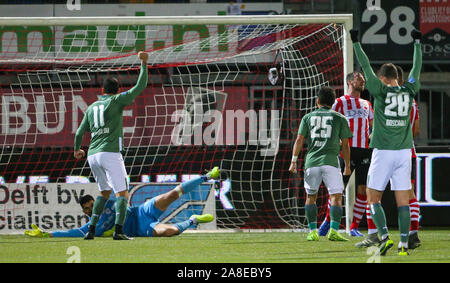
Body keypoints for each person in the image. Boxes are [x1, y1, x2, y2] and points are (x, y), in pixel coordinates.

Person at [350, 28, 422, 256]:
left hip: (382, 151)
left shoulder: (379, 90)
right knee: (403, 201)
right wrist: (417, 44)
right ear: (397, 78)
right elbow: (416, 69)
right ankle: (403, 245)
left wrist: (356, 42)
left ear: (382, 78)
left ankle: (383, 235)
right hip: (403, 153)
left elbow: (365, 65)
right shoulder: (409, 90)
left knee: (373, 197)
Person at [73, 51, 149, 240]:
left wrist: (77, 150)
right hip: (110, 153)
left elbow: (79, 132)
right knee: (122, 193)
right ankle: (119, 231)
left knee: (104, 192)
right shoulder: (116, 100)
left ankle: (90, 230)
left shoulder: (91, 107)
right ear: (117, 90)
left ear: (102, 90)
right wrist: (144, 63)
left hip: (92, 155)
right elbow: (141, 86)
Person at [24, 168, 220, 238]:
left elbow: (122, 197)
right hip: (140, 227)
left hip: (141, 212)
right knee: (168, 232)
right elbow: (72, 233)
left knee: (171, 194)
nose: (93, 209)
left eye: (93, 204)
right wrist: (47, 234)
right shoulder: (93, 227)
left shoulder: (109, 203)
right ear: (85, 212)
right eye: (88, 209)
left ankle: (207, 176)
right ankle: (193, 220)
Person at [289, 86, 352, 242]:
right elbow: (345, 145)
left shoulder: (308, 117)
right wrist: (348, 165)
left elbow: (299, 140)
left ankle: (312, 231)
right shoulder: (340, 118)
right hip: (331, 161)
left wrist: (293, 162)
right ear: (333, 102)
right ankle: (334, 231)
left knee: (311, 197)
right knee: (336, 197)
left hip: (312, 162)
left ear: (317, 101)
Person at [318, 71, 374, 237]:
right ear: (350, 81)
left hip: (364, 151)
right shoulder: (339, 102)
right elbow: (328, 120)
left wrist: (371, 138)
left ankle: (354, 227)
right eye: (359, 79)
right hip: (345, 151)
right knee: (338, 190)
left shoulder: (366, 104)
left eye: (363, 79)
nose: (362, 81)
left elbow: (372, 125)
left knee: (363, 189)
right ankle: (328, 221)